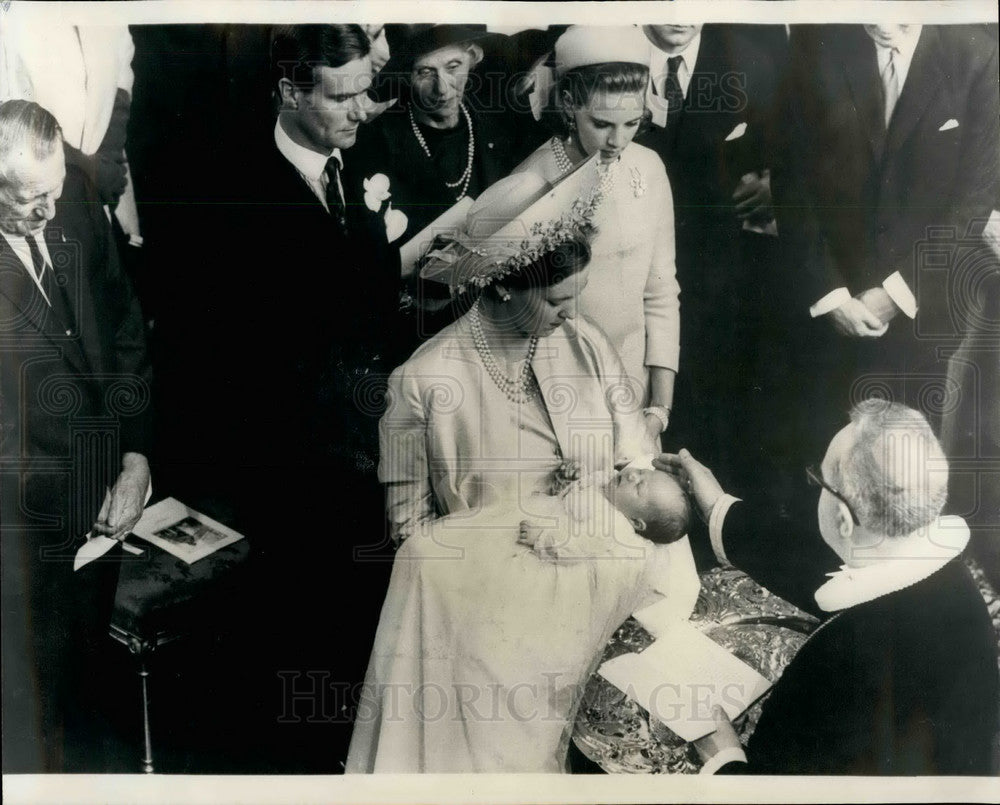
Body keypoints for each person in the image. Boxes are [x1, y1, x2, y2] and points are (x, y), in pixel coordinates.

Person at [345, 165, 697, 773]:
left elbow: (633, 459)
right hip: (486, 640)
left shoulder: (586, 344)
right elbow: (408, 533)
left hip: (603, 620)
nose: (572, 313)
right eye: (557, 299)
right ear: (504, 286)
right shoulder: (422, 382)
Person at [155, 25, 402, 772]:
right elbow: (218, 362)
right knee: (286, 678)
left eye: (368, 89)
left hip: (359, 460)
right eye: (345, 95)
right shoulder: (227, 188)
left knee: (352, 663)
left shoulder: (360, 162)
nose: (363, 111)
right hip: (278, 482)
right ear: (290, 91)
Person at [657, 400, 999, 774]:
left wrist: (723, 757)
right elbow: (822, 569)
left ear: (843, 518)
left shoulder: (841, 662)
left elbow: (782, 792)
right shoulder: (942, 575)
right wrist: (718, 507)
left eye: (820, 481)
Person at [0, 100, 153, 771]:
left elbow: (124, 327)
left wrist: (137, 452)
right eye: (33, 199)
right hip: (26, 541)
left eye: (56, 187)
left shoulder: (75, 200)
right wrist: (80, 491)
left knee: (96, 689)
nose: (50, 208)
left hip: (108, 502)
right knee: (37, 715)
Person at [784, 24, 999, 458]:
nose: (881, 24)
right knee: (822, 470)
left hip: (922, 315)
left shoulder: (978, 55)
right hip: (828, 309)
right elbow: (792, 182)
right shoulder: (815, 42)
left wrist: (896, 293)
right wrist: (830, 294)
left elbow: (972, 201)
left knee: (906, 474)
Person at [512, 26, 681, 454]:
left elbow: (661, 294)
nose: (618, 141)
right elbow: (517, 316)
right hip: (555, 397)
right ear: (569, 104)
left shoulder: (651, 167)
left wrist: (658, 410)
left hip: (637, 397)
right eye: (602, 124)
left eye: (632, 123)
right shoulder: (532, 181)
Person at [636, 23, 784, 496]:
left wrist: (775, 184)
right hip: (638, 260)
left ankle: (718, 510)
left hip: (722, 267)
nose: (682, 17)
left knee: (721, 388)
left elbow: (798, 138)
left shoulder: (753, 57)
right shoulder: (606, 50)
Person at [344, 24, 538, 346]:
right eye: (425, 72)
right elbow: (368, 270)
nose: (443, 88)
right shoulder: (372, 146)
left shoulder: (497, 126)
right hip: (418, 334)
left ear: (472, 58)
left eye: (453, 67)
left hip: (500, 322)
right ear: (406, 75)